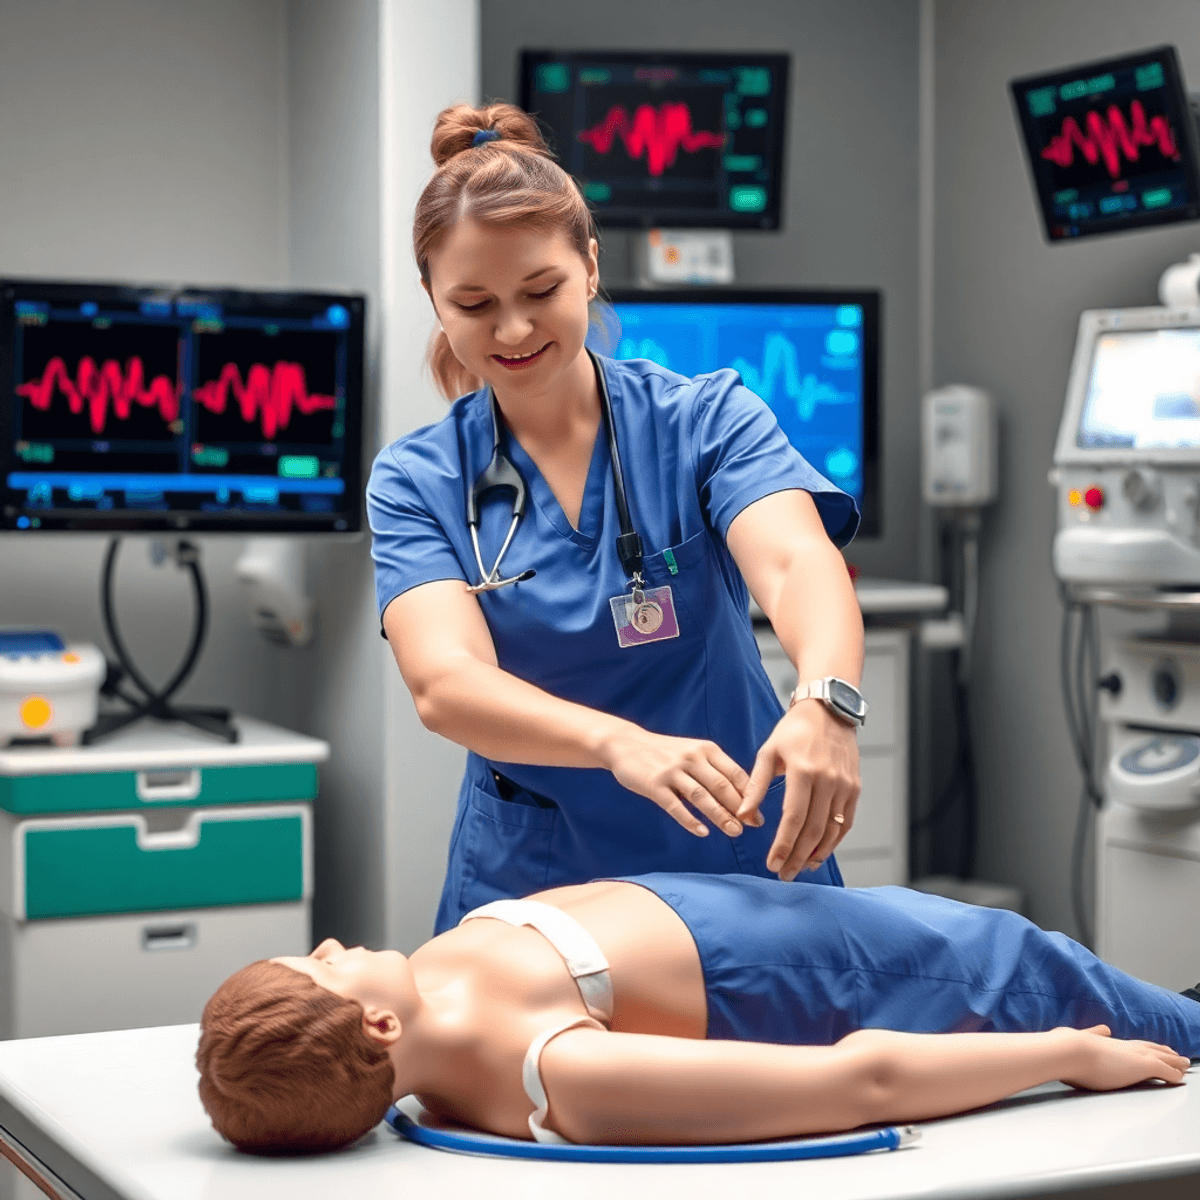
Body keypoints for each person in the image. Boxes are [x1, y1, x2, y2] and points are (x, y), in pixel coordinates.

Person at [367, 101, 866, 933]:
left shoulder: (704, 418)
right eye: (475, 303)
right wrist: (613, 743)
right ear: (432, 298)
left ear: (590, 267)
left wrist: (826, 701)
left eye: (541, 290)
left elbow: (791, 559)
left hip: (729, 843)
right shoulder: (418, 478)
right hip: (537, 880)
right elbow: (445, 682)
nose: (514, 327)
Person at [197, 873, 1199, 1153]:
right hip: (935, 978)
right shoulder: (559, 1077)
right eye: (323, 965)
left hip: (843, 915)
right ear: (379, 1031)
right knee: (1158, 1022)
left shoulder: (434, 971)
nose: (332, 945)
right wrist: (1068, 1052)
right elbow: (863, 1080)